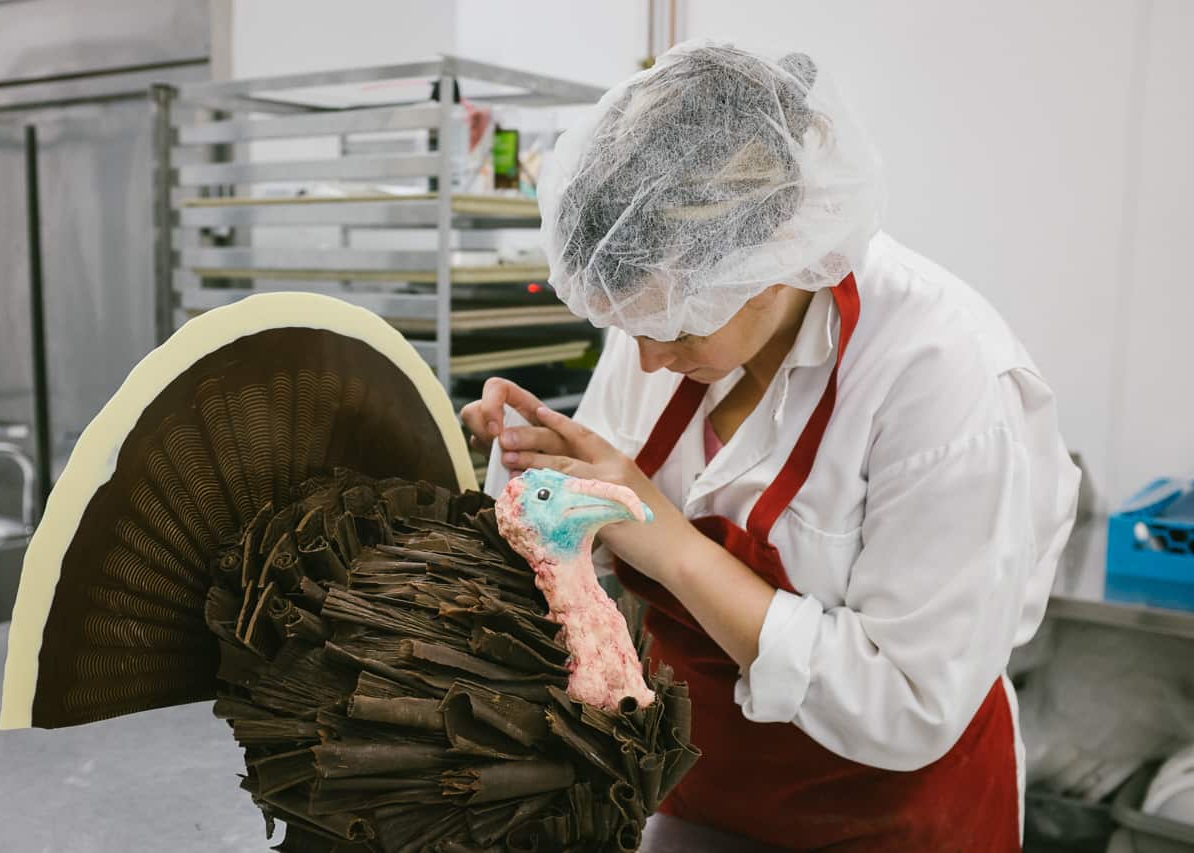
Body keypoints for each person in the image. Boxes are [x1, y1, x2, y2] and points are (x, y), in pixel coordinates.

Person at [460, 40, 1079, 851]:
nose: (647, 358)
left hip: (895, 814)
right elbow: (608, 542)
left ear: (771, 259)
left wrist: (675, 546)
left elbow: (909, 701)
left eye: (676, 327)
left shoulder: (940, 374)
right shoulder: (670, 316)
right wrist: (546, 481)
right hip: (700, 789)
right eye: (630, 326)